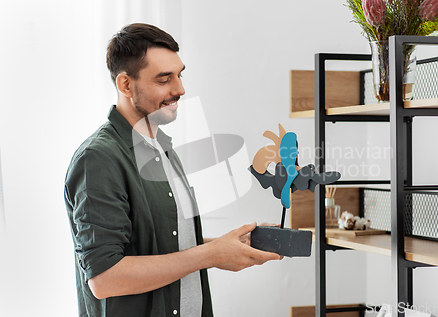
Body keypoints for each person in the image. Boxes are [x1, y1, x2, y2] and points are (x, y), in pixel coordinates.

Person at [64, 23, 282, 317]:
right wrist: (209, 255)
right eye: (164, 79)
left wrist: (227, 245)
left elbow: (163, 241)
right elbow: (105, 279)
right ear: (126, 85)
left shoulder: (159, 147)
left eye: (179, 75)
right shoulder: (98, 159)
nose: (180, 89)